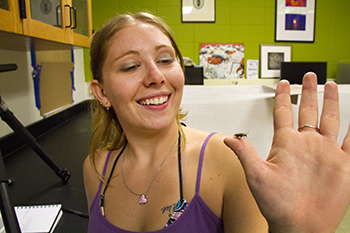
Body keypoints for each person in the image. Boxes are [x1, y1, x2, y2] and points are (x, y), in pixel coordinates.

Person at [83, 12, 350, 233]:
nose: (156, 76)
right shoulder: (96, 168)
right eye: (130, 66)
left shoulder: (226, 161)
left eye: (165, 60)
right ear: (102, 92)